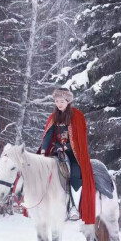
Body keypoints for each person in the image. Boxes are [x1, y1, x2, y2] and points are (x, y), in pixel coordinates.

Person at [38, 88, 95, 224]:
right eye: (57, 101)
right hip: (57, 151)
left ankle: (74, 207)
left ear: (68, 101)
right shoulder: (54, 117)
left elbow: (80, 138)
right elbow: (48, 135)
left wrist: (67, 147)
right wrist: (43, 150)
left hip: (75, 153)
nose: (59, 104)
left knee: (75, 173)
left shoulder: (77, 116)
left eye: (61, 101)